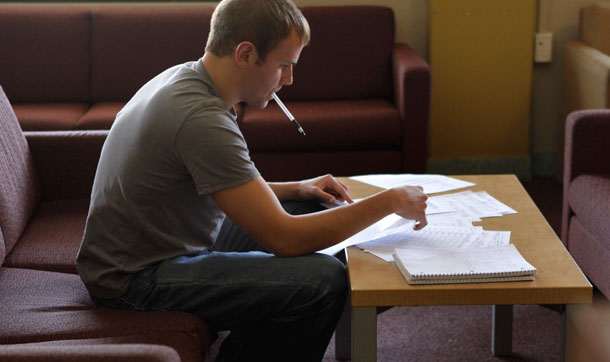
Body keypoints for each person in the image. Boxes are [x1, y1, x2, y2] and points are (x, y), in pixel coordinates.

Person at [76, 0, 428, 361]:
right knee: (321, 281)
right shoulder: (201, 118)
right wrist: (388, 201)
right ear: (245, 53)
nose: (288, 79)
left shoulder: (186, 79)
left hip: (161, 247)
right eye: (284, 65)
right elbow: (285, 238)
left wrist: (297, 187)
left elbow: (215, 183)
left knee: (305, 205)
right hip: (133, 281)